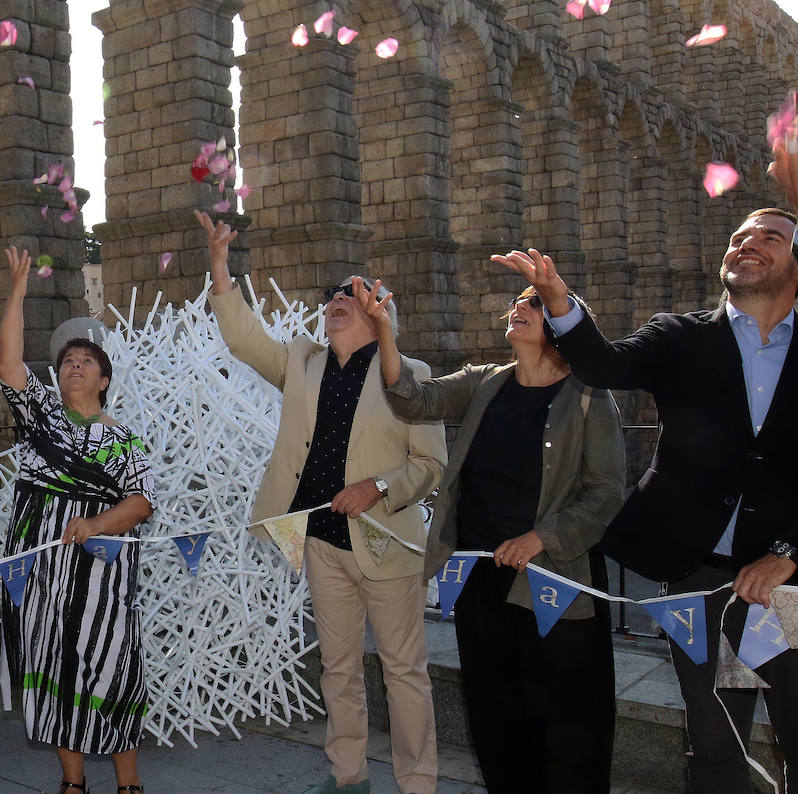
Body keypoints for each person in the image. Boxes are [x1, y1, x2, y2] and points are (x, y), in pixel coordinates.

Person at [496, 194, 798, 788]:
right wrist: (559, 302)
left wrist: (788, 554)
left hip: (788, 579)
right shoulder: (680, 336)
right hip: (699, 576)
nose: (748, 243)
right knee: (715, 743)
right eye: (741, 236)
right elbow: (605, 365)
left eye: (771, 237)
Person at [195, 210, 447, 794]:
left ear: (379, 313)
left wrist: (379, 487)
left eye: (350, 297)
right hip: (321, 544)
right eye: (330, 296)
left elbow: (431, 466)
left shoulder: (411, 374)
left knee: (404, 673)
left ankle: (419, 785)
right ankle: (348, 776)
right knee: (338, 670)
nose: (334, 301)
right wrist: (219, 267)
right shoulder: (302, 363)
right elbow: (243, 338)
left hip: (387, 545)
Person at [362, 279, 626, 793]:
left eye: (533, 304)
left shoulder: (590, 394)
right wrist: (385, 332)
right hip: (481, 577)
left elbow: (607, 492)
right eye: (517, 302)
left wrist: (543, 537)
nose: (517, 309)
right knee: (495, 713)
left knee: (567, 718)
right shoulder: (487, 382)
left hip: (555, 581)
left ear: (558, 323)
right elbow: (414, 399)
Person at [0, 246, 156, 794]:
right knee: (55, 667)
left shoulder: (123, 439)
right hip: (43, 574)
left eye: (86, 361)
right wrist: (17, 293)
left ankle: (129, 783)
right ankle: (73, 782)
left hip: (103, 578)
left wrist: (97, 524)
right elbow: (9, 366)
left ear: (105, 379)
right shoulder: (42, 415)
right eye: (67, 360)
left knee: (113, 668)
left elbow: (142, 503)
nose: (74, 365)